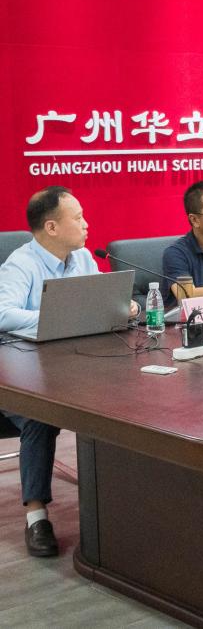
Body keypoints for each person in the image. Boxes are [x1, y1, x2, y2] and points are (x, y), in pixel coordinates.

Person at [0, 187, 136, 557]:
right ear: (51, 227)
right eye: (77, 218)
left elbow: (99, 302)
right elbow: (4, 314)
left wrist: (123, 307)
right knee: (39, 417)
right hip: (21, 372)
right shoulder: (20, 264)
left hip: (73, 365)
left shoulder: (83, 259)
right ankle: (37, 517)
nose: (86, 224)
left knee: (124, 397)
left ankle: (120, 502)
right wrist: (57, 316)